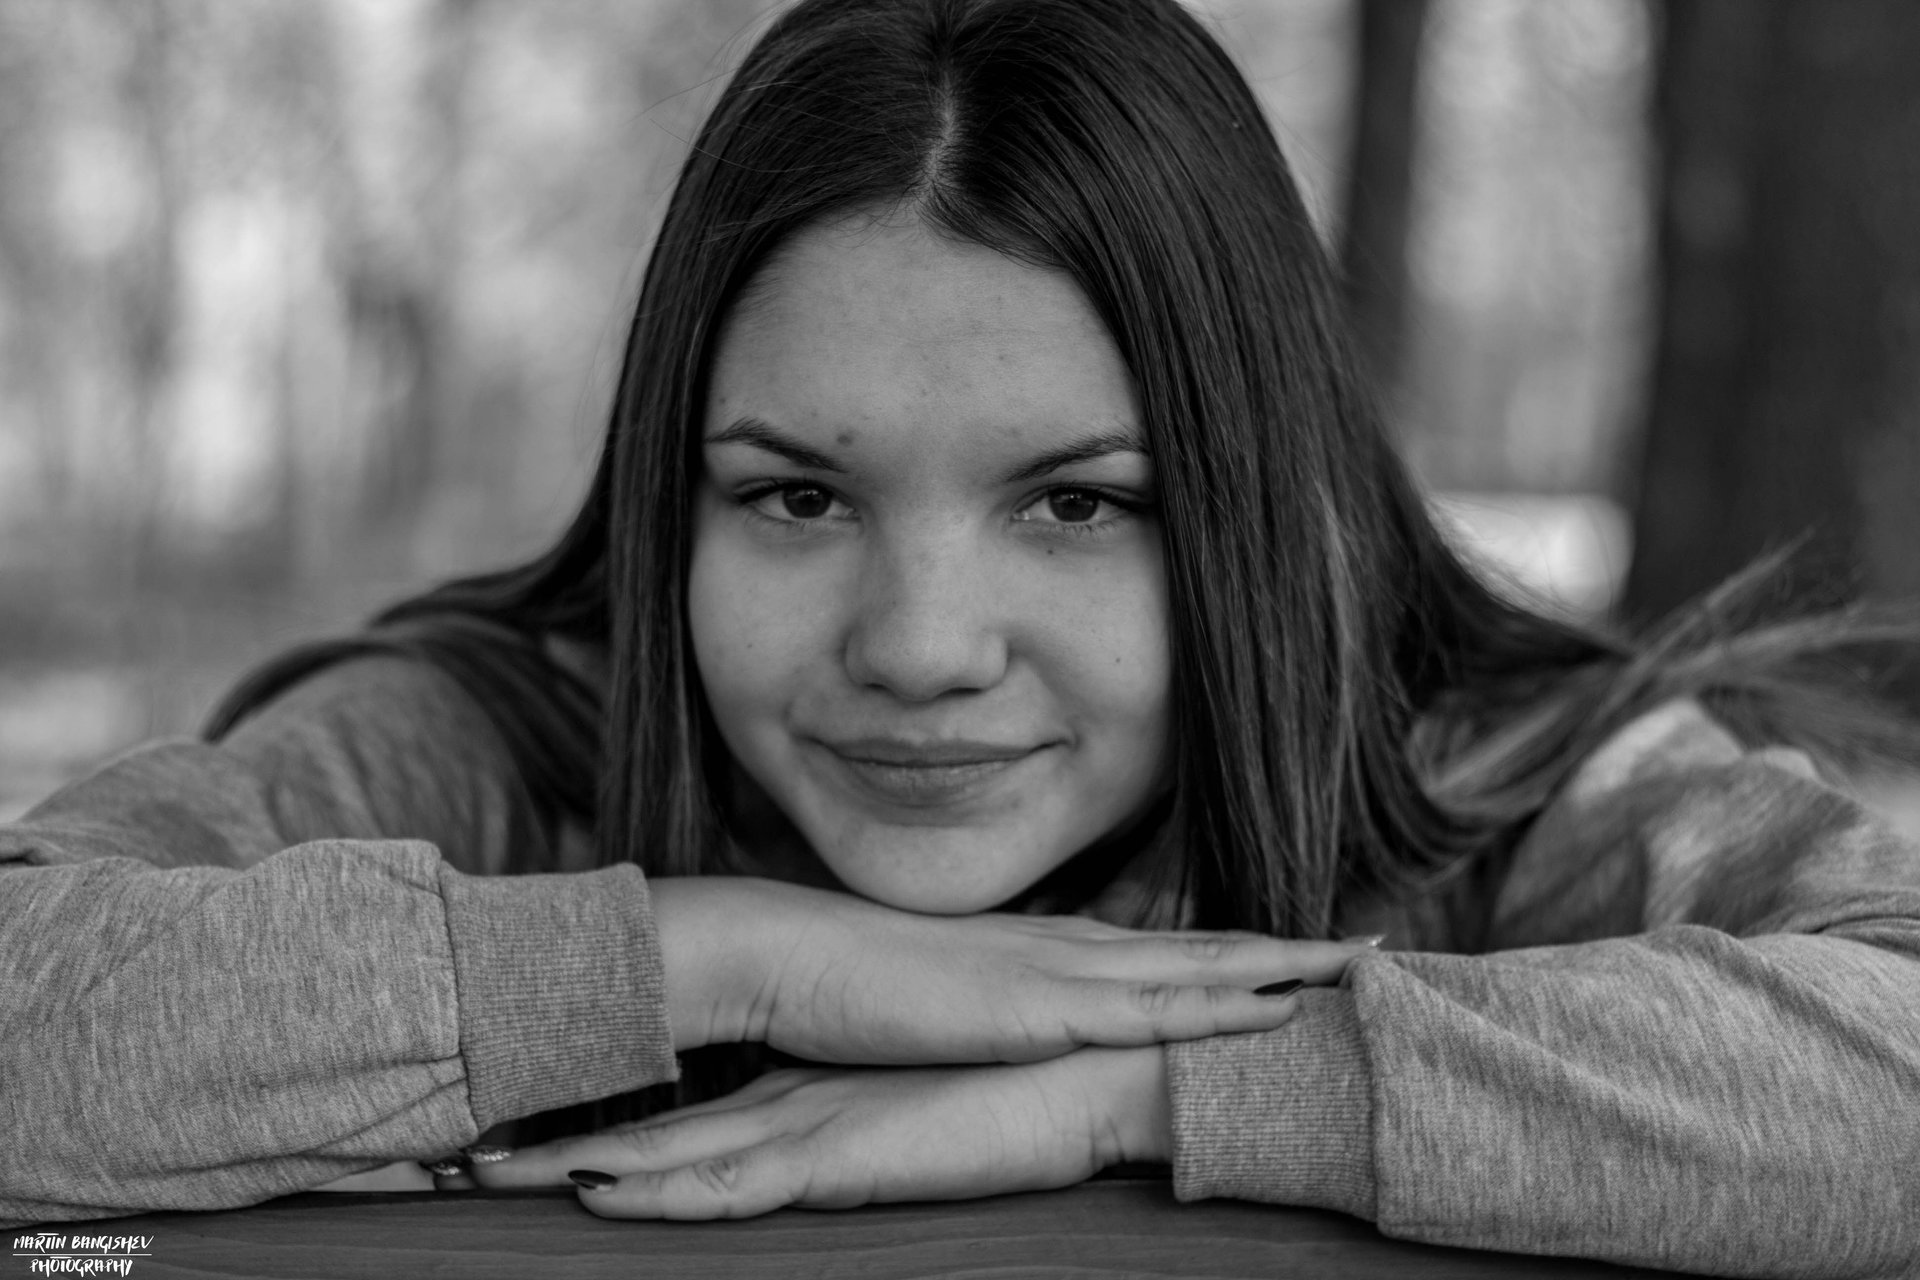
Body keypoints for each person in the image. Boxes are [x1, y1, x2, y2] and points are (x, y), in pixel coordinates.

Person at [4, 0, 1918, 1273]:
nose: (919, 649)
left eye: (1078, 503)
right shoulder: (503, 737)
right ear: (676, 495)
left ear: (1257, 507)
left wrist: (1159, 1088)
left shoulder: (1487, 770)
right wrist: (722, 958)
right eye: (795, 497)